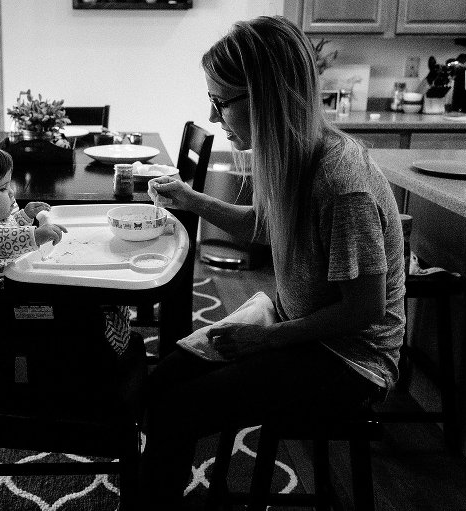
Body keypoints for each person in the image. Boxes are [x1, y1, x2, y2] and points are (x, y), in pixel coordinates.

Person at [139, 16, 405, 508]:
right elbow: (267, 226)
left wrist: (263, 339)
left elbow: (364, 310)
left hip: (350, 361)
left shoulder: (342, 182)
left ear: (265, 98)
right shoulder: (291, 154)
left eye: (221, 102)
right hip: (297, 324)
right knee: (160, 380)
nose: (215, 117)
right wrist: (191, 199)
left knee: (180, 407)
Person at [0, 135, 135, 375]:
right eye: (3, 188)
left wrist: (24, 217)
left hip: (21, 286)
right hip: (11, 304)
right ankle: (92, 354)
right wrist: (35, 236)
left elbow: (4, 230)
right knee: (83, 302)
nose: (12, 194)